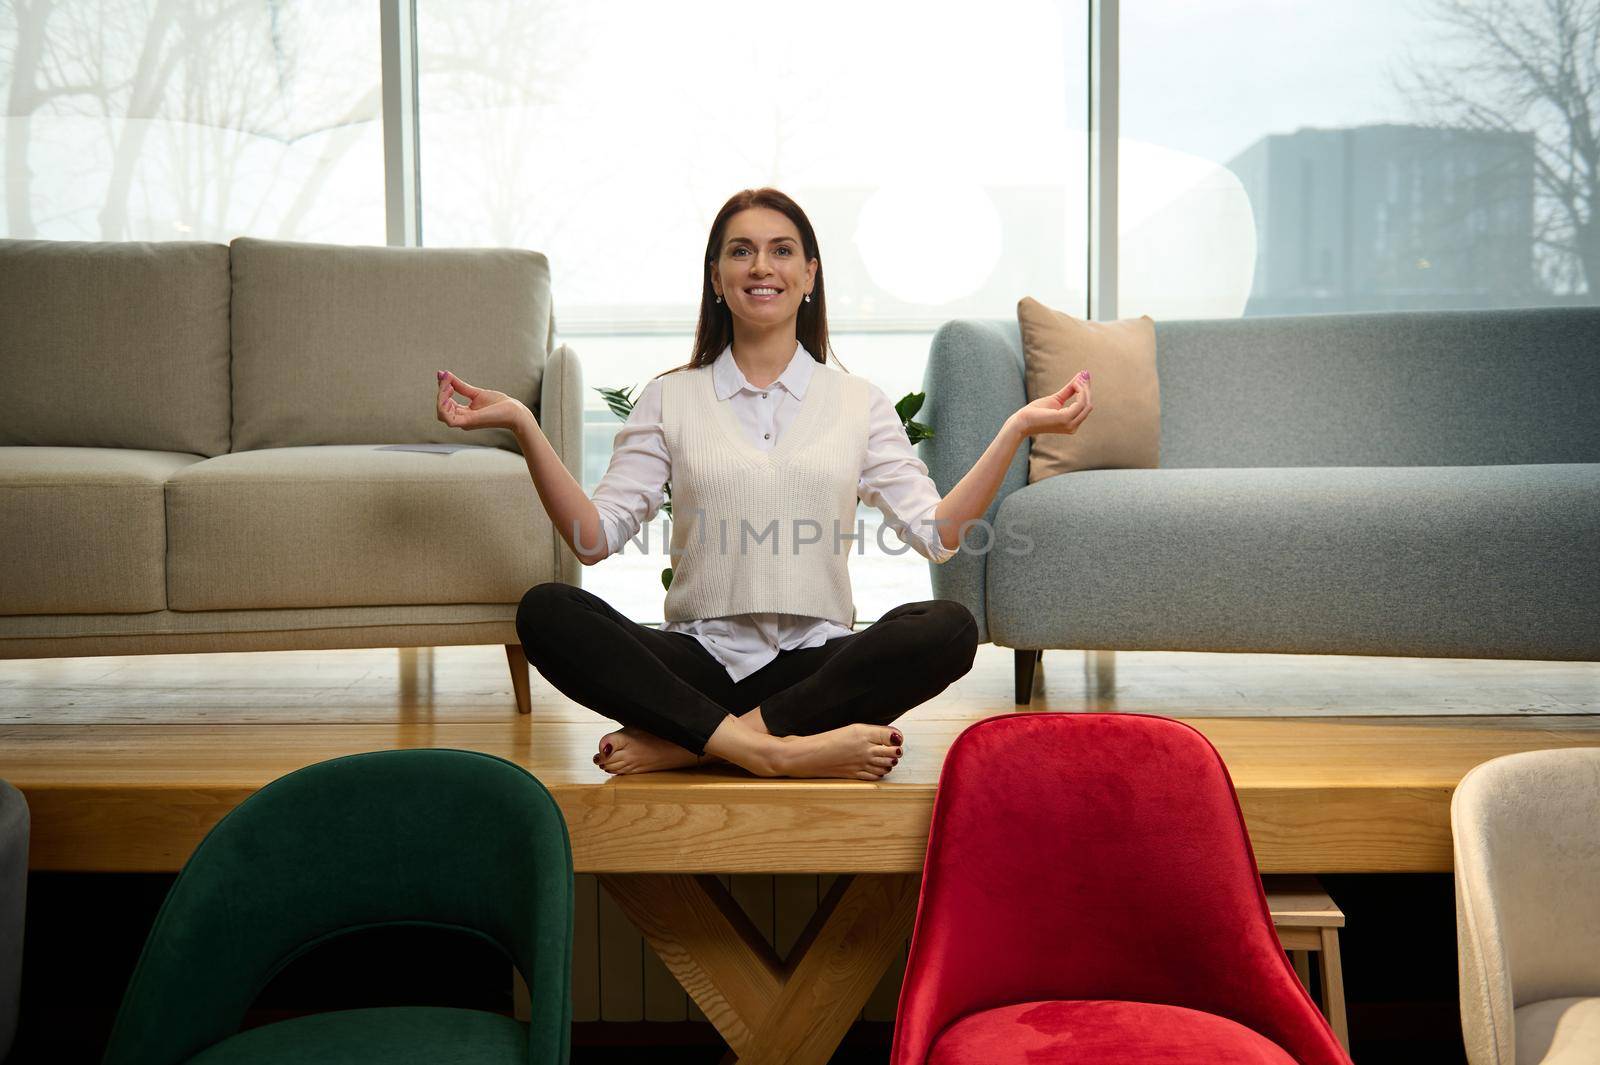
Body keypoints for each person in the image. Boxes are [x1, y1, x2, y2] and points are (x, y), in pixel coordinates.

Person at [434, 187, 1093, 780]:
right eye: (740, 251)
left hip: (817, 666)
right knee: (547, 611)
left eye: (782, 250)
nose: (761, 266)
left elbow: (939, 535)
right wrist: (523, 423)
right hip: (701, 662)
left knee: (947, 627)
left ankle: (695, 743)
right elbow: (593, 537)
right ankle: (775, 749)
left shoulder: (859, 402)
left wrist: (1015, 429)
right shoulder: (671, 398)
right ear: (716, 278)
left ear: (809, 275)